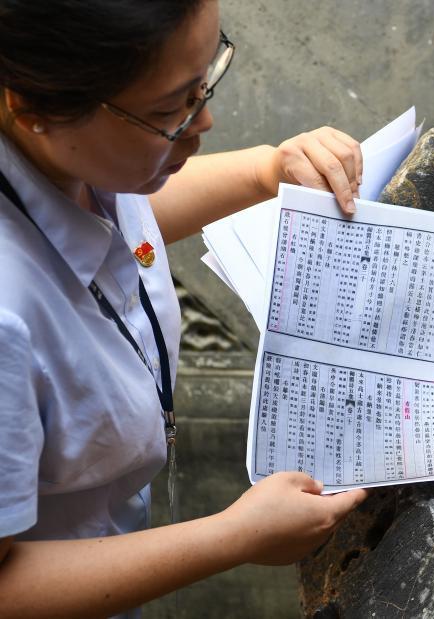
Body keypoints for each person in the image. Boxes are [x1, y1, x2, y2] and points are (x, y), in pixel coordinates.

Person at [0, 1, 367, 616]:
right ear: (34, 109)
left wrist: (265, 169)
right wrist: (232, 538)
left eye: (207, 79)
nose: (206, 121)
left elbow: (127, 224)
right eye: (172, 109)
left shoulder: (62, 158)